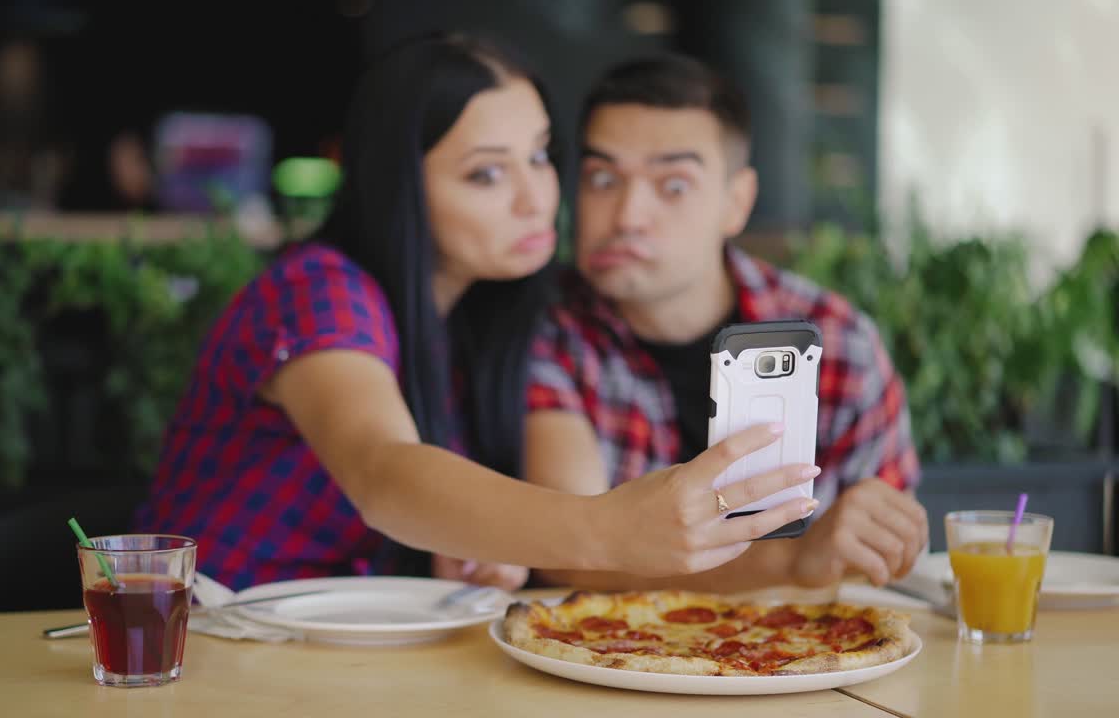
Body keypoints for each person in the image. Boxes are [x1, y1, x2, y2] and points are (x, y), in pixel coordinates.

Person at [133, 34, 818, 591]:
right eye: (487, 174)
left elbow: (427, 519)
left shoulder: (484, 318)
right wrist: (611, 528)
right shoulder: (319, 291)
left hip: (358, 667)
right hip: (201, 650)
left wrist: (468, 548)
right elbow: (381, 470)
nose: (536, 197)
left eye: (542, 156)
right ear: (399, 186)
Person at [525, 54, 927, 592]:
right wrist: (794, 560)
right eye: (602, 178)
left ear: (736, 202)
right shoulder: (546, 328)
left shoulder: (839, 345)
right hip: (605, 658)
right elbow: (576, 558)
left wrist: (880, 534)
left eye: (673, 186)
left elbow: (885, 557)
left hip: (803, 665)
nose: (626, 215)